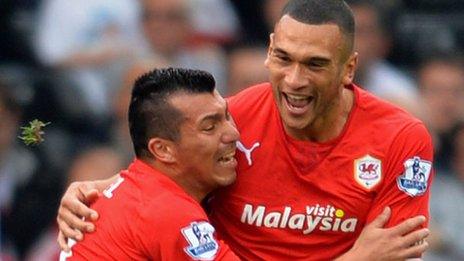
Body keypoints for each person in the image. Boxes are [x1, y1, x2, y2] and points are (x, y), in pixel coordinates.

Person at [57, 1, 432, 260]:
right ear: (269, 51)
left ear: (348, 68)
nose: (294, 80)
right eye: (283, 58)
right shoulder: (233, 122)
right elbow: (158, 176)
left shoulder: (401, 140)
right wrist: (96, 191)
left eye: (314, 64)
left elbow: (393, 253)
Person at [59, 68, 240, 260]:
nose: (233, 134)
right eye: (210, 127)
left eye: (227, 116)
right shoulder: (169, 210)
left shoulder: (134, 192)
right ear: (163, 150)